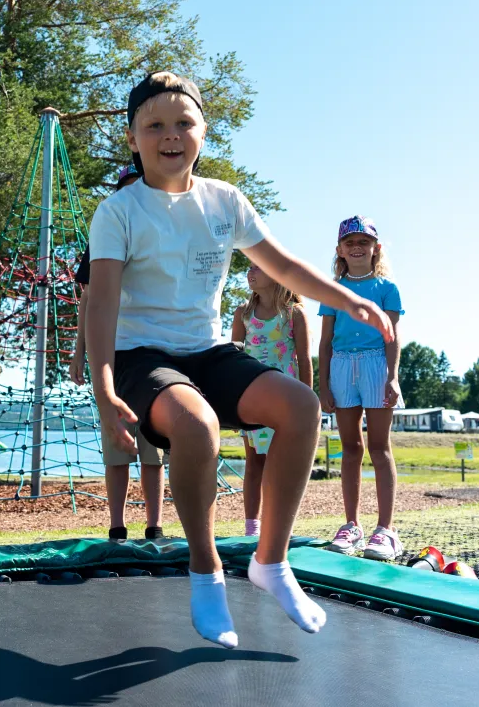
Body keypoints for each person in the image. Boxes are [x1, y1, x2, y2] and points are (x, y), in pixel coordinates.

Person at [85, 72, 393, 649]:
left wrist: (348, 297)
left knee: (301, 406)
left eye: (183, 123)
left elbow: (284, 266)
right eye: (155, 125)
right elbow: (99, 304)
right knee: (196, 424)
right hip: (141, 357)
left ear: (202, 132)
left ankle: (270, 563)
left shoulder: (225, 200)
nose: (170, 135)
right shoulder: (118, 212)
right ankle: (206, 571)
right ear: (132, 138)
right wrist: (104, 389)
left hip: (207, 351)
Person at [70, 164, 165, 542]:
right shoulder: (102, 239)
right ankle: (116, 526)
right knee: (116, 448)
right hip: (114, 358)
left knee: (153, 449)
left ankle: (155, 526)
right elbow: (88, 301)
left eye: (137, 187)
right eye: (124, 188)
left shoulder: (160, 236)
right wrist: (79, 352)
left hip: (157, 354)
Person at [318, 216, 404, 561]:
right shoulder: (333, 289)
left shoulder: (387, 288)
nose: (357, 248)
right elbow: (324, 342)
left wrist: (392, 376)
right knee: (350, 447)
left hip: (375, 365)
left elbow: (392, 337)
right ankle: (351, 525)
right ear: (340, 250)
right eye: (350, 243)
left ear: (375, 248)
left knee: (379, 446)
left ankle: (386, 529)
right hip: (341, 365)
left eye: (363, 242)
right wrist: (322, 384)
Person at [230, 261, 312, 537]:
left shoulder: (293, 314)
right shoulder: (243, 313)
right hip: (251, 397)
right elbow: (234, 359)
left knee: (280, 464)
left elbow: (304, 359)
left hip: (284, 400)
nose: (250, 273)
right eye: (249, 268)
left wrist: (307, 403)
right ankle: (252, 528)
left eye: (257, 268)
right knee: (255, 461)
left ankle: (277, 526)